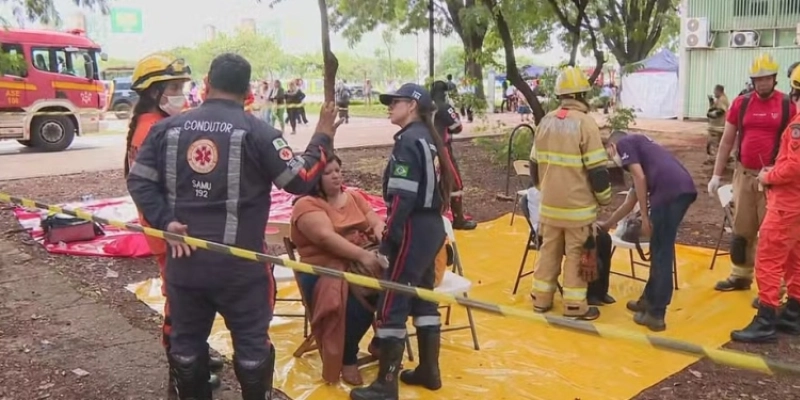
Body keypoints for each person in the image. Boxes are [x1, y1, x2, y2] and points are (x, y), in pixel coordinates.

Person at [126, 53, 339, 400]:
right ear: (248, 90)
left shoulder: (166, 129)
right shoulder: (260, 133)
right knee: (253, 348)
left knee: (186, 346)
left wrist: (166, 221)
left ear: (207, 83)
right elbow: (301, 180)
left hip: (185, 263)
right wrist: (323, 137)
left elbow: (139, 182)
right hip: (243, 268)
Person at [122, 53, 224, 395]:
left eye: (183, 86)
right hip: (169, 229)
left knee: (182, 296)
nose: (182, 94)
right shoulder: (155, 129)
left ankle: (191, 359)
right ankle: (181, 370)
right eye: (176, 87)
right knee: (179, 300)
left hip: (165, 226)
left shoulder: (151, 124)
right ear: (155, 92)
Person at [350, 83, 454, 400]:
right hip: (432, 226)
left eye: (395, 102)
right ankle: (429, 371)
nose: (389, 106)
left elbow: (403, 196)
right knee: (424, 298)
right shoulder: (428, 137)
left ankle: (386, 384)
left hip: (412, 227)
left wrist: (390, 235)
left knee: (392, 302)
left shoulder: (409, 141)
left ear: (412, 106)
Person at [291, 155, 385, 385]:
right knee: (359, 293)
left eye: (338, 170)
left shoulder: (352, 196)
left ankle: (382, 341)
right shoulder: (306, 205)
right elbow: (325, 238)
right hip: (323, 269)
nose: (336, 175)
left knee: (398, 282)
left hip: (361, 261)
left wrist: (382, 234)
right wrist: (363, 255)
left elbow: (375, 221)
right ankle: (348, 356)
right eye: (328, 172)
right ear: (314, 178)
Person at [707, 54, 797, 293]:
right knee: (742, 229)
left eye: (767, 79)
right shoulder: (741, 103)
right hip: (744, 175)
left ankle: (775, 288)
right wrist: (717, 175)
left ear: (775, 79)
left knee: (773, 235)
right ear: (752, 80)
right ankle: (740, 276)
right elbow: (726, 141)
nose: (762, 83)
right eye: (758, 79)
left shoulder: (788, 105)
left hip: (774, 181)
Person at [527, 66, 611, 321]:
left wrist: (544, 189)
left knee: (548, 252)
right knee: (577, 256)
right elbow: (597, 170)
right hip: (577, 209)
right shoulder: (585, 124)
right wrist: (605, 198)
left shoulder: (545, 122)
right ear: (582, 95)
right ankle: (575, 307)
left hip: (549, 207)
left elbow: (533, 164)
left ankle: (540, 300)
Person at [599, 131, 697, 331]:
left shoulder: (624, 143)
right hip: (681, 188)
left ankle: (656, 313)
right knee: (658, 247)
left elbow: (639, 177)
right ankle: (648, 299)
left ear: (611, 145)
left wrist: (644, 216)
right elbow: (631, 200)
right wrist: (608, 223)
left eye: (609, 154)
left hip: (669, 193)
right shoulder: (641, 149)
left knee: (661, 252)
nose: (613, 159)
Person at [731, 64, 800, 343]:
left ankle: (766, 318)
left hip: (787, 202)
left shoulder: (797, 126)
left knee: (768, 258)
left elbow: (794, 166)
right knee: (795, 257)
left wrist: (769, 176)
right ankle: (794, 313)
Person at [431, 80, 477, 230]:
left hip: (426, 147)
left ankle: (433, 217)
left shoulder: (424, 106)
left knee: (434, 182)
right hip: (442, 149)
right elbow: (457, 127)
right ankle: (458, 219)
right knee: (455, 183)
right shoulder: (445, 107)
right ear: (445, 93)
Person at [705, 84, 730, 165]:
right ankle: (722, 158)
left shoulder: (722, 99)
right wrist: (711, 102)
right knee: (718, 143)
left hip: (718, 127)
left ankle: (714, 159)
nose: (714, 93)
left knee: (712, 142)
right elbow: (715, 108)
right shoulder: (719, 99)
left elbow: (721, 111)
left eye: (715, 91)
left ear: (719, 91)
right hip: (717, 126)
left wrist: (712, 115)